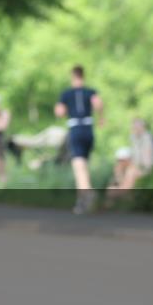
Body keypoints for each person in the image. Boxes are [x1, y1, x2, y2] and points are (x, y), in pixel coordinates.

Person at [54, 65, 104, 214]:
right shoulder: (90, 91)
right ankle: (82, 204)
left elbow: (60, 111)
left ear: (72, 76)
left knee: (78, 168)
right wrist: (101, 118)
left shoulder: (67, 93)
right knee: (83, 167)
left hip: (76, 129)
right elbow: (98, 103)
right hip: (89, 128)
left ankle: (87, 193)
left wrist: (64, 109)